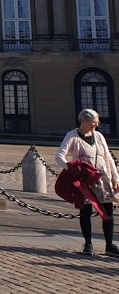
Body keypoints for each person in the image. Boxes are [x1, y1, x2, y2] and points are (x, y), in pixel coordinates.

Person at [56, 108, 119, 255]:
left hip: (103, 177)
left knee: (107, 210)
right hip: (85, 180)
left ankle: (109, 245)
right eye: (93, 122)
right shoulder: (72, 136)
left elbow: (108, 158)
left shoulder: (99, 136)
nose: (96, 124)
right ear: (84, 122)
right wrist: (72, 168)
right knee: (86, 211)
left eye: (97, 122)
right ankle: (88, 244)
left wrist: (116, 178)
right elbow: (59, 156)